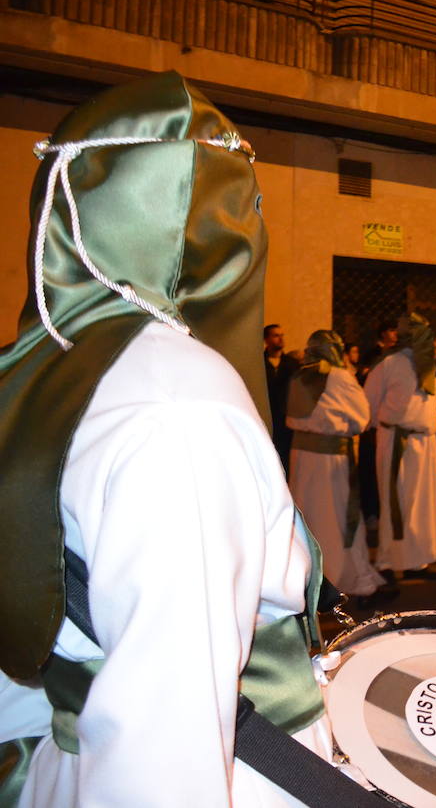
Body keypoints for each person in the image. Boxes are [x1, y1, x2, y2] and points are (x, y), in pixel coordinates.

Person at [0, 73, 337, 804]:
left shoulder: (39, 372)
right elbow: (170, 713)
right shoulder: (178, 401)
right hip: (224, 776)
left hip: (71, 758)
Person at [286, 329, 388, 607]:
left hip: (302, 457)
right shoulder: (340, 376)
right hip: (331, 459)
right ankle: (346, 578)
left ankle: (310, 579)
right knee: (339, 518)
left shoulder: (297, 375)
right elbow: (362, 418)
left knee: (309, 517)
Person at [365, 312, 436, 581]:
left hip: (426, 443)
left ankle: (418, 561)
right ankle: (388, 562)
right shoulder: (388, 364)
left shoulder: (429, 368)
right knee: (397, 502)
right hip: (396, 442)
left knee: (422, 504)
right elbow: (369, 405)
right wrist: (392, 427)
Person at [263, 322, 298, 474]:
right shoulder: (259, 362)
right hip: (266, 417)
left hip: (286, 420)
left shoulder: (292, 365)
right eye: (276, 335)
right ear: (266, 339)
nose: (280, 339)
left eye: (281, 335)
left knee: (285, 458)